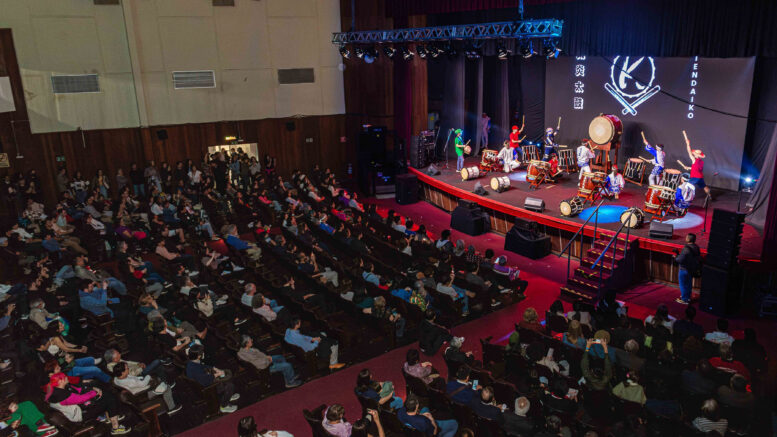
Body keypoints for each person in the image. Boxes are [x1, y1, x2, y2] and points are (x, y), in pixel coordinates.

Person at [112, 361, 182, 415]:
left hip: (137, 388)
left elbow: (134, 379)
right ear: (122, 372)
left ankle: (161, 386)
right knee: (167, 388)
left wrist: (141, 378)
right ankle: (171, 408)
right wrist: (148, 376)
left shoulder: (116, 378)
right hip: (143, 393)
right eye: (127, 368)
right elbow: (143, 384)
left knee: (158, 380)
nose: (128, 369)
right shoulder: (130, 381)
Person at [185, 345, 240, 413]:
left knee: (227, 372)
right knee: (229, 386)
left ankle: (228, 396)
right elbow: (205, 381)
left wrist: (214, 368)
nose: (203, 353)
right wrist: (217, 374)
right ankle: (224, 406)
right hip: (207, 389)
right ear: (199, 356)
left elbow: (203, 366)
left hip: (202, 383)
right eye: (202, 352)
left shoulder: (192, 362)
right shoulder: (195, 369)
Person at [678, 131, 711, 199]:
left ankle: (685, 198)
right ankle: (709, 196)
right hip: (700, 177)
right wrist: (689, 168)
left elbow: (689, 150)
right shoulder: (701, 162)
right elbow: (696, 168)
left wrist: (686, 140)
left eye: (694, 153)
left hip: (694, 177)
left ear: (696, 154)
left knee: (687, 186)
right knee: (705, 187)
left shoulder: (694, 159)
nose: (693, 154)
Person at [674, 233, 700, 304]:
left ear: (688, 239)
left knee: (683, 284)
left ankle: (684, 299)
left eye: (686, 237)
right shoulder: (696, 247)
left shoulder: (686, 248)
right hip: (692, 269)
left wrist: (676, 257)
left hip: (684, 269)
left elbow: (680, 260)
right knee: (688, 284)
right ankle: (687, 297)